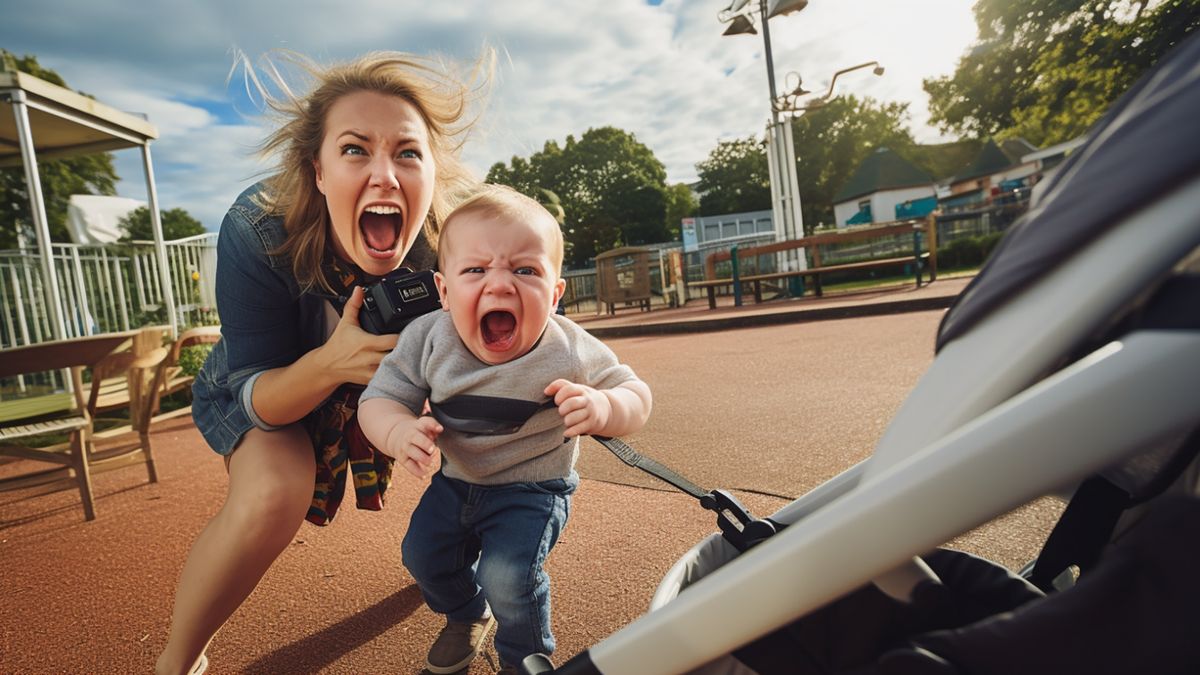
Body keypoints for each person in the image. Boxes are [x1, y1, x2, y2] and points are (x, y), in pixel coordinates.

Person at [155, 50, 491, 675]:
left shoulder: (455, 239)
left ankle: (464, 594)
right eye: (357, 149)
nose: (386, 175)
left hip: (390, 387)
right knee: (274, 493)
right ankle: (179, 662)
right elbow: (256, 393)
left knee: (478, 433)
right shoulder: (257, 228)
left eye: (408, 152)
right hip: (274, 386)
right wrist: (333, 364)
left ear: (432, 170)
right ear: (317, 170)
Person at [358, 184, 653, 673]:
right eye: (475, 269)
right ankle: (467, 614)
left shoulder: (568, 346)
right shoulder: (427, 338)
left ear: (555, 294)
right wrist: (396, 431)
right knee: (422, 557)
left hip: (533, 488)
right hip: (456, 482)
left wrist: (604, 406)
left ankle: (524, 661)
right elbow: (381, 399)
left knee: (508, 577)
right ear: (445, 291)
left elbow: (635, 394)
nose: (499, 285)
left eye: (525, 270)